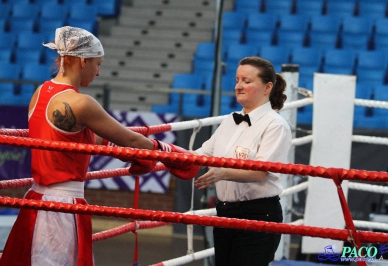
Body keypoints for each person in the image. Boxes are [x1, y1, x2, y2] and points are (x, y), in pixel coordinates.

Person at [0, 26, 198, 266]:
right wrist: (166, 152)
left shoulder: (41, 92)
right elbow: (133, 140)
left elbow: (75, 138)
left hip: (36, 198)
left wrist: (128, 154)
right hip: (61, 207)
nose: (99, 72)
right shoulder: (81, 102)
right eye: (98, 64)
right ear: (83, 61)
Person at [194, 56, 292, 266]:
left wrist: (222, 172)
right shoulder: (230, 120)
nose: (239, 86)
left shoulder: (276, 126)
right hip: (224, 213)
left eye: (247, 81)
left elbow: (261, 172)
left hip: (258, 214)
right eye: (237, 80)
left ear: (267, 88)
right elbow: (201, 155)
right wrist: (161, 153)